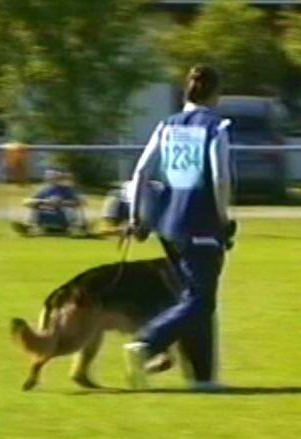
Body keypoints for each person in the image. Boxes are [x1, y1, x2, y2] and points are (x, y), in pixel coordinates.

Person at [124, 64, 236, 391]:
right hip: (199, 222)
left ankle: (203, 379)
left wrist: (135, 217)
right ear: (215, 94)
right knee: (201, 300)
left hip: (168, 225)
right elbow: (219, 177)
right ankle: (147, 343)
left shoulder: (167, 125)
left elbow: (142, 171)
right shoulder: (216, 127)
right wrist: (223, 218)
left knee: (194, 298)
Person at [12, 169, 89, 236]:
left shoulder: (68, 190)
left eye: (57, 178)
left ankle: (75, 229)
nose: (54, 180)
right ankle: (28, 227)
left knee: (69, 209)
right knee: (34, 206)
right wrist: (43, 201)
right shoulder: (44, 190)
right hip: (47, 215)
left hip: (62, 218)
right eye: (52, 178)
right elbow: (26, 201)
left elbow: (81, 202)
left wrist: (62, 203)